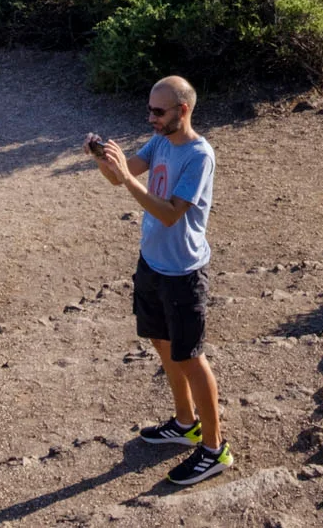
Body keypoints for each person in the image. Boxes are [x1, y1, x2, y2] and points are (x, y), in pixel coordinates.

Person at [94, 76, 232, 487]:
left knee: (190, 356)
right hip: (151, 263)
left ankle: (213, 449)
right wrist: (104, 160)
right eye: (149, 110)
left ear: (182, 110)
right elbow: (120, 178)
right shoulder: (158, 142)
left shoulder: (198, 155)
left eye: (158, 111)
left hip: (182, 273)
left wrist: (128, 179)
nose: (150, 118)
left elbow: (172, 212)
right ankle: (185, 423)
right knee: (163, 343)